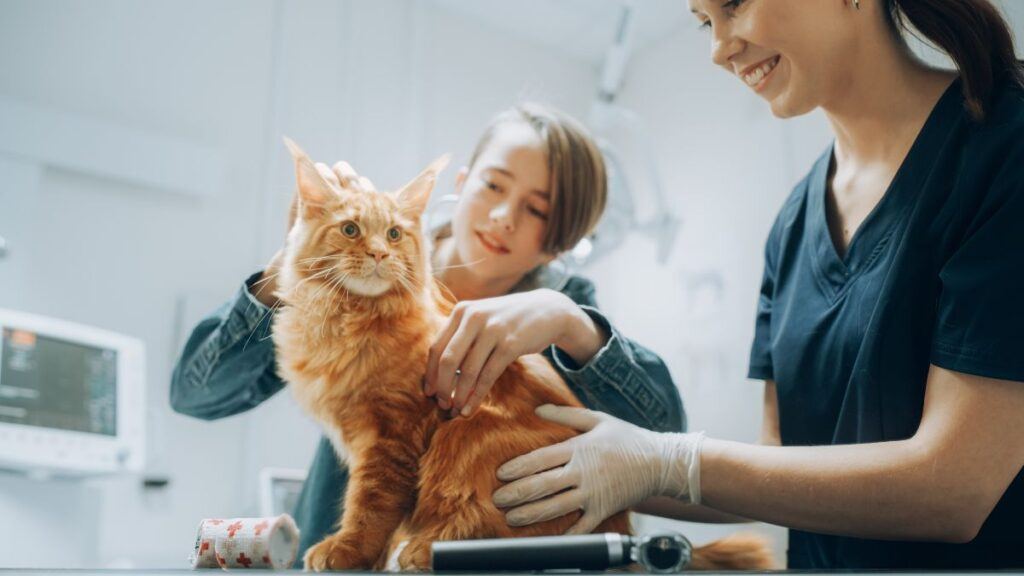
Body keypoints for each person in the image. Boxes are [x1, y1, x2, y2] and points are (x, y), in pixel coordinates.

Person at [491, 0, 1024, 569]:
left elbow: (958, 489)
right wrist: (602, 466)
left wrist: (666, 460)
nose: (719, 49)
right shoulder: (793, 222)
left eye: (734, 6)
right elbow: (781, 462)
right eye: (703, 22)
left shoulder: (1002, 150)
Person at [170, 103, 686, 562]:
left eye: (537, 209)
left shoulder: (568, 312)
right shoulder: (365, 262)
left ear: (562, 239)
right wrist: (294, 263)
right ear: (461, 182)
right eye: (494, 185)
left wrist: (571, 323)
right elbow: (194, 395)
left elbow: (668, 448)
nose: (504, 216)